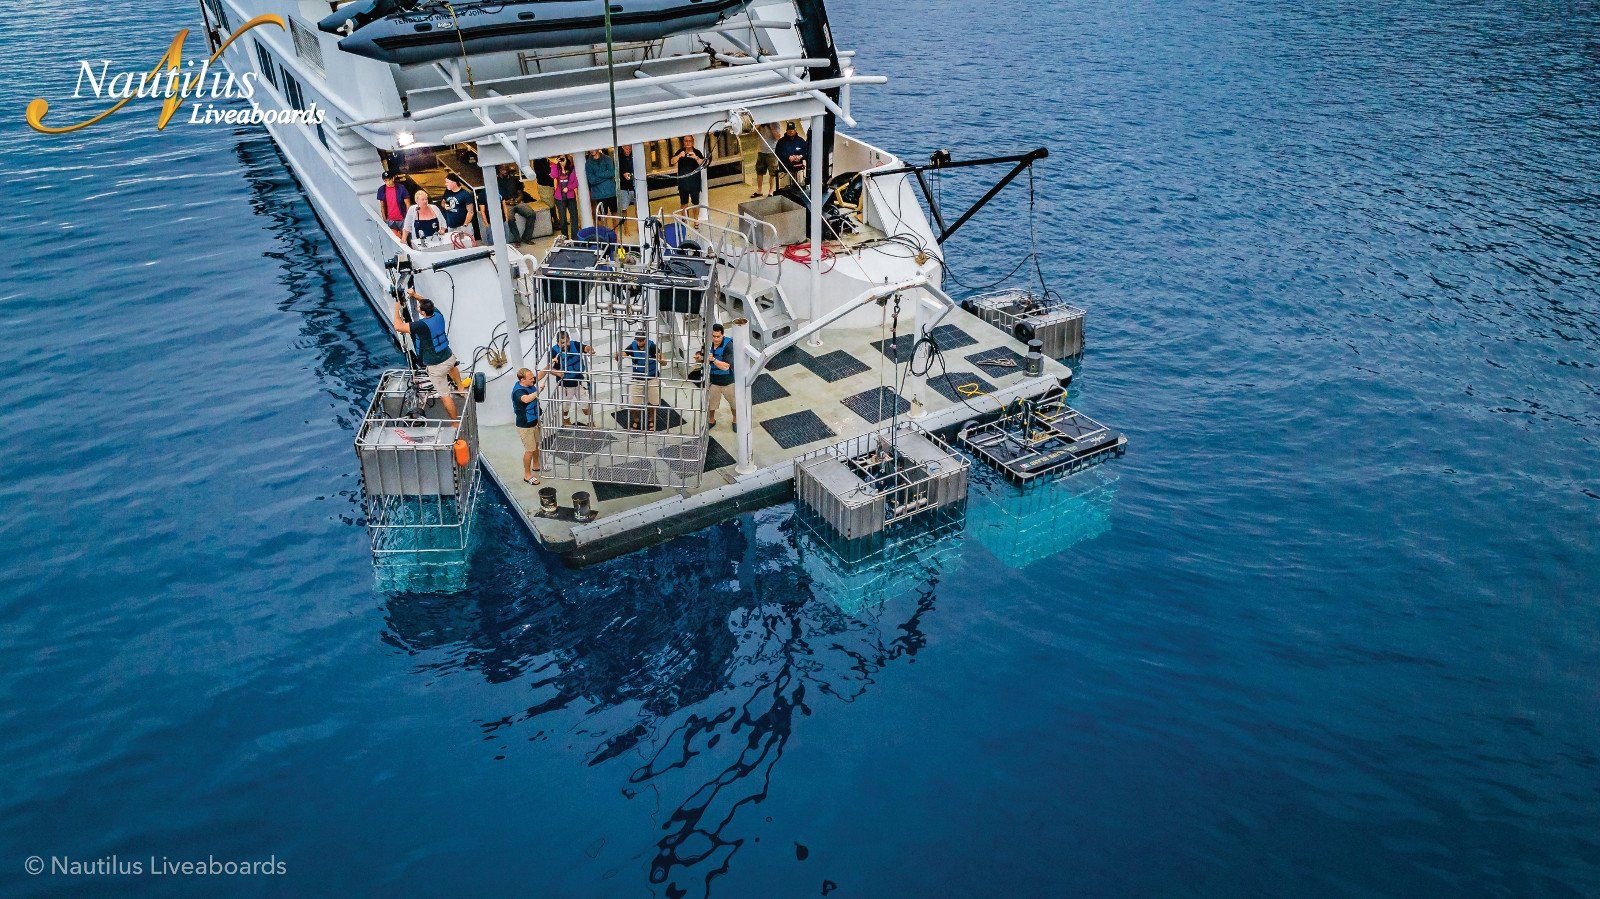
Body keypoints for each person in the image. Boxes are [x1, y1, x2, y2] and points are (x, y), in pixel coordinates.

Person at [391, 289, 461, 421]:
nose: (417, 307)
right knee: (452, 367)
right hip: (449, 357)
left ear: (422, 312)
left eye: (419, 308)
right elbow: (426, 303)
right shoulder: (438, 314)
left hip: (436, 367)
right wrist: (414, 295)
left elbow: (398, 327)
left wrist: (396, 309)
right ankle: (461, 387)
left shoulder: (421, 326)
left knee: (445, 396)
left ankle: (455, 423)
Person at [615, 329, 664, 431]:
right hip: (637, 379)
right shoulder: (632, 346)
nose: (639, 342)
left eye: (641, 340)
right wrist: (618, 356)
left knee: (653, 403)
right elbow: (623, 355)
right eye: (638, 340)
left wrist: (662, 360)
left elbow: (663, 361)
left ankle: (651, 420)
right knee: (633, 404)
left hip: (652, 378)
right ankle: (636, 420)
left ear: (646, 340)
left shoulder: (652, 346)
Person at [548, 329, 594, 426]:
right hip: (565, 384)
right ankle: (566, 420)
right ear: (557, 342)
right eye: (562, 343)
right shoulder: (553, 351)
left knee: (585, 404)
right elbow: (550, 369)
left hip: (579, 382)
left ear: (569, 340)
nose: (565, 345)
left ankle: (591, 423)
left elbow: (585, 348)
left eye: (567, 342)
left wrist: (590, 349)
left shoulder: (575, 345)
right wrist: (558, 373)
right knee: (566, 406)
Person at [698, 322, 736, 429]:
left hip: (728, 381)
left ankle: (735, 419)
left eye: (718, 337)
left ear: (723, 335)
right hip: (713, 381)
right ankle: (711, 420)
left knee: (734, 403)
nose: (715, 339)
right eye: (713, 336)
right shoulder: (708, 344)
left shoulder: (729, 345)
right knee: (711, 403)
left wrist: (713, 359)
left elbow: (726, 367)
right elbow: (702, 356)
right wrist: (700, 358)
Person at [511, 367, 545, 485]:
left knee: (536, 445)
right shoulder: (518, 391)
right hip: (525, 426)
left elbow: (540, 375)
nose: (533, 380)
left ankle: (536, 465)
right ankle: (527, 475)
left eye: (532, 378)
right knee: (529, 450)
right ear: (522, 380)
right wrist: (538, 391)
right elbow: (526, 400)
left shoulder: (529, 383)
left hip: (535, 421)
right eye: (530, 379)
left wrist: (549, 366)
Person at [672, 135, 706, 213]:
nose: (688, 143)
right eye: (686, 141)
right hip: (683, 183)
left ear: (693, 142)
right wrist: (679, 156)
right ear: (683, 142)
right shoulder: (680, 151)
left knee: (695, 203)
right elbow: (672, 161)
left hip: (695, 183)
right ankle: (684, 220)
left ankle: (696, 222)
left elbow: (703, 164)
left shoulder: (697, 152)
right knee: (683, 203)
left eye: (689, 141)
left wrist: (696, 158)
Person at [550, 155, 580, 239]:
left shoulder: (572, 169)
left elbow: (576, 183)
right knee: (563, 220)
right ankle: (565, 238)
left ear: (567, 159)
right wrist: (555, 164)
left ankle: (575, 238)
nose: (562, 160)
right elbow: (553, 175)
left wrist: (568, 188)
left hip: (570, 197)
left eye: (563, 158)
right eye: (560, 159)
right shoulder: (557, 169)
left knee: (574, 218)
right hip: (559, 198)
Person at [585, 148, 618, 223]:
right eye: (590, 148)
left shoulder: (607, 159)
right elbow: (592, 180)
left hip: (611, 192)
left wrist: (597, 174)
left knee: (615, 213)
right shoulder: (588, 163)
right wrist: (606, 176)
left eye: (593, 148)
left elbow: (612, 173)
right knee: (603, 216)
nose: (591, 150)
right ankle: (605, 234)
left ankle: (615, 233)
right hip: (599, 194)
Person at [775, 122, 809, 189]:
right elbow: (778, 153)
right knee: (785, 189)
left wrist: (801, 156)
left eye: (792, 130)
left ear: (795, 130)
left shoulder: (801, 141)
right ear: (786, 130)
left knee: (800, 187)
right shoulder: (781, 142)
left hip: (798, 169)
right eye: (789, 130)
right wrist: (788, 157)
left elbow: (807, 152)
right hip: (785, 170)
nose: (791, 131)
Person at [753, 122, 780, 196]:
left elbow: (778, 137)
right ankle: (759, 190)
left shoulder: (776, 123)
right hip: (761, 151)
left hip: (772, 152)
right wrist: (758, 126)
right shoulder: (760, 124)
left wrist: (772, 128)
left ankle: (771, 190)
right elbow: (753, 134)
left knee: (772, 172)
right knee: (759, 171)